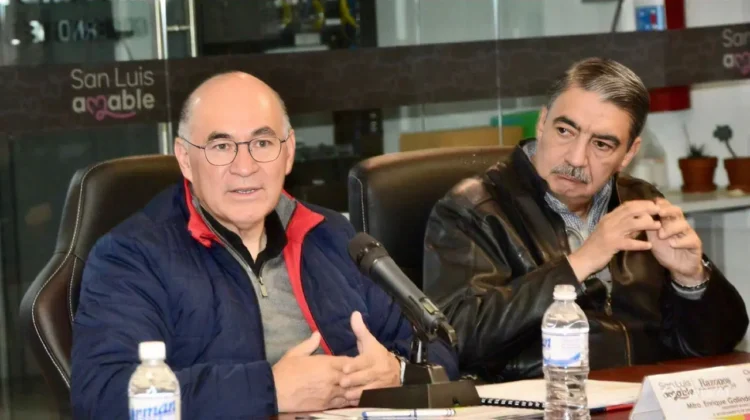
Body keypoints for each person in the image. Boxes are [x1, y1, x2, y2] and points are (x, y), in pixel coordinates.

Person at [71, 72, 458, 418]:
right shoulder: (130, 256)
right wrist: (271, 390)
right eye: (221, 147)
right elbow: (103, 396)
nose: (245, 166)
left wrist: (397, 370)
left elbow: (441, 345)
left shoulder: (332, 236)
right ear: (185, 160)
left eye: (262, 142)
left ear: (288, 153)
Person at [423, 57, 748, 383]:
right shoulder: (475, 209)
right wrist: (580, 263)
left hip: (641, 396)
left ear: (628, 154)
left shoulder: (640, 201)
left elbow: (715, 345)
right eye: (565, 131)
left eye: (602, 144)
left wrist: (691, 279)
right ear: (542, 123)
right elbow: (454, 339)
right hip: (546, 401)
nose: (576, 158)